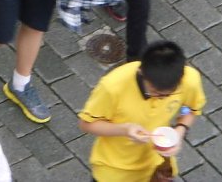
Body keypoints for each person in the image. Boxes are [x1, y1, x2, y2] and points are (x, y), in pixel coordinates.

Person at [78, 41, 205, 182]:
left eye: (168, 95)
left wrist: (180, 132)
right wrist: (125, 130)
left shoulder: (190, 80)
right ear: (141, 72)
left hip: (157, 166)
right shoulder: (112, 86)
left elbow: (190, 109)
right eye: (155, 92)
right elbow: (87, 124)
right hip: (115, 170)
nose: (162, 98)